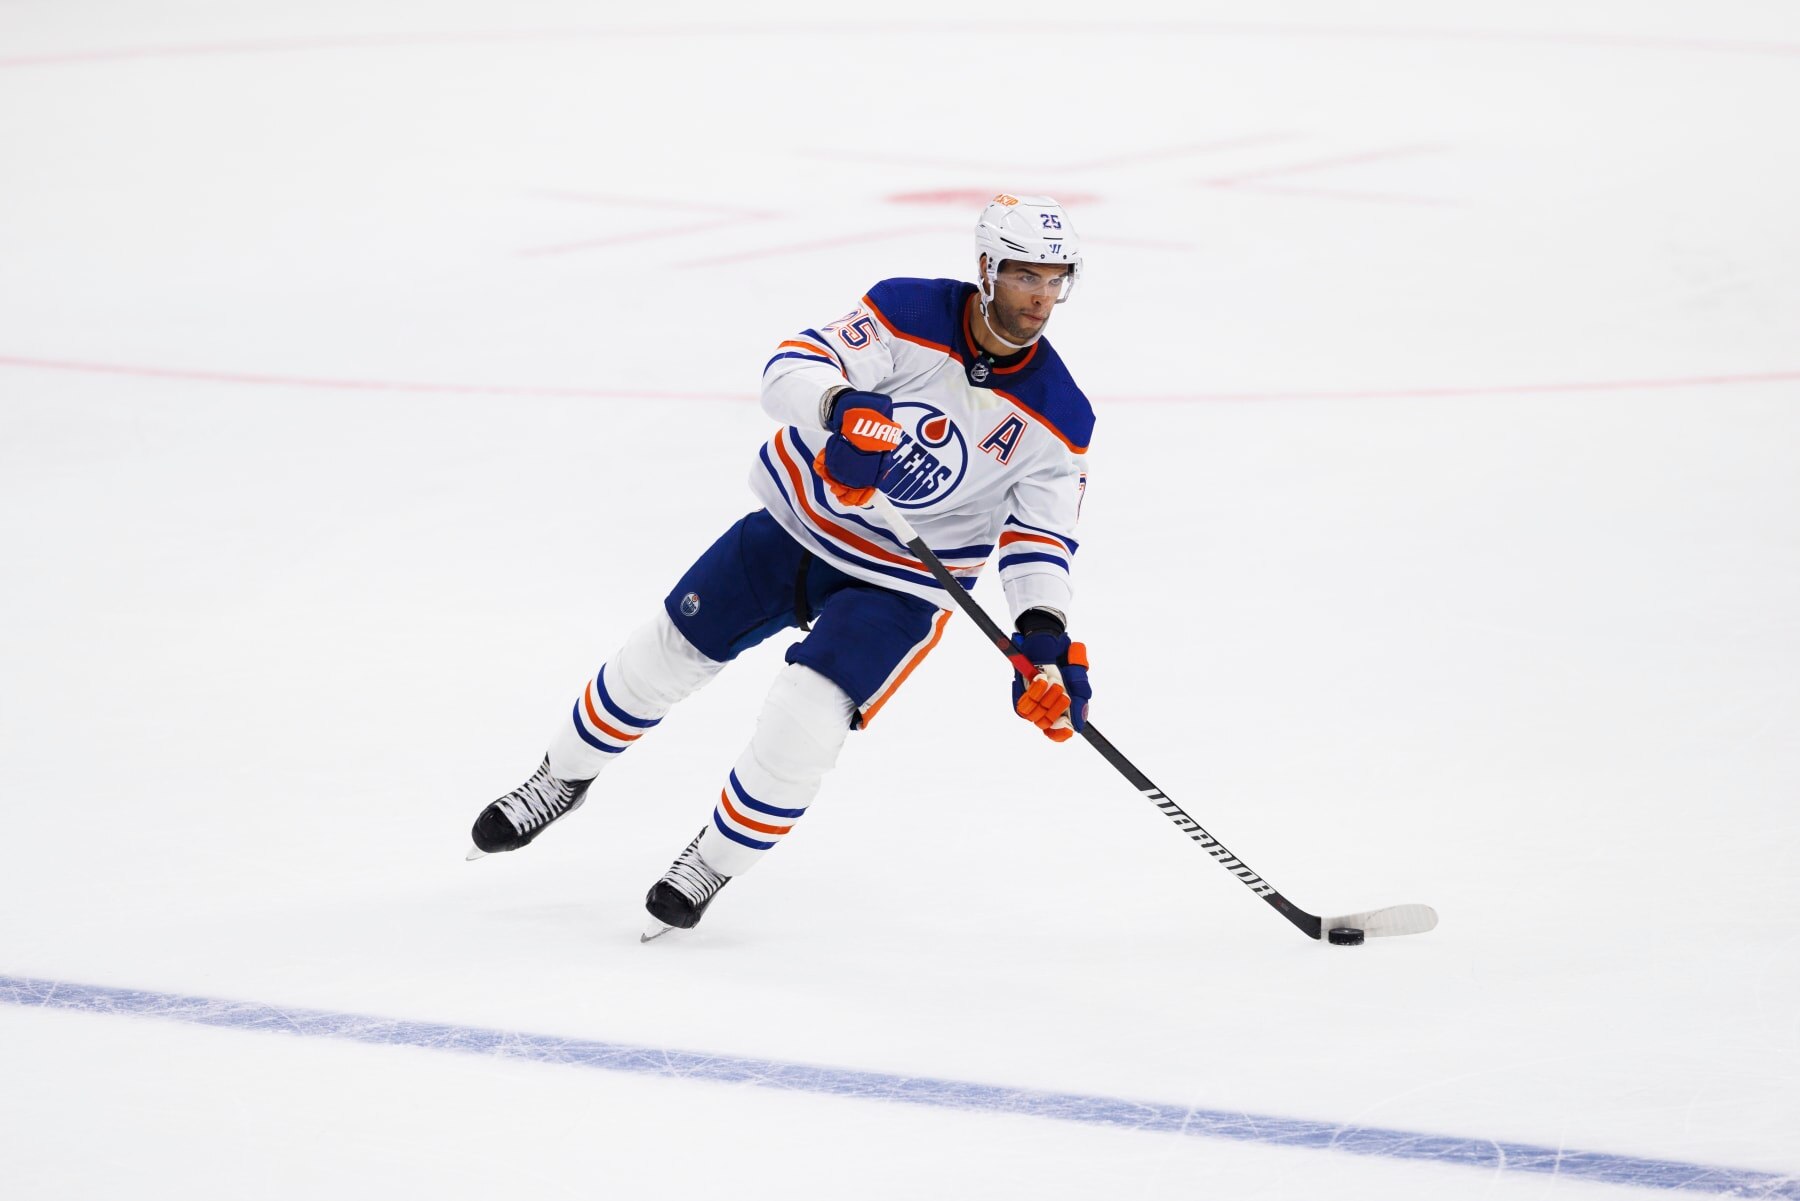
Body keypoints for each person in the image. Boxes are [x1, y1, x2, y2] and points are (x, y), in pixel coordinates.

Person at [467, 194, 1097, 941]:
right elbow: (789, 367)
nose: (1041, 297)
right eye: (1027, 275)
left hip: (895, 583)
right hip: (795, 526)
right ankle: (560, 776)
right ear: (988, 267)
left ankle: (710, 862)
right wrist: (840, 407)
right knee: (661, 656)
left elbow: (1040, 537)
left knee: (805, 716)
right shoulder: (906, 311)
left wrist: (1043, 638)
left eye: (1056, 279)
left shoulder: (1061, 414)